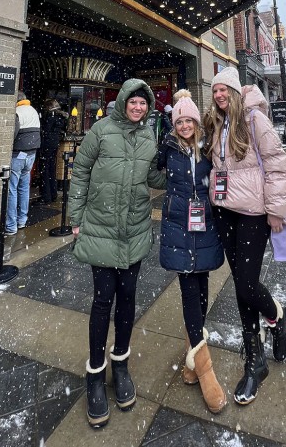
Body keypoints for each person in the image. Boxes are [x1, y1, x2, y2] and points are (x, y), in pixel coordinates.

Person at [69, 79, 166, 429]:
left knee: (128, 298)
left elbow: (153, 177)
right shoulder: (100, 131)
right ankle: (95, 373)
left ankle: (120, 365)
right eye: (134, 102)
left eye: (144, 104)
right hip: (101, 227)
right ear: (124, 101)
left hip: (135, 229)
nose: (138, 108)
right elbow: (79, 172)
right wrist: (74, 218)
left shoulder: (149, 136)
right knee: (102, 299)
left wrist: (182, 163)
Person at [203, 67, 286, 406]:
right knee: (241, 282)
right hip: (224, 210)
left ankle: (276, 317)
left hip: (254, 214)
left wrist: (276, 210)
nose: (219, 94)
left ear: (236, 92)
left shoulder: (255, 120)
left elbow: (277, 163)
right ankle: (254, 360)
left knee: (246, 285)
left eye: (225, 89)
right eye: (215, 90)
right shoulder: (217, 123)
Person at [158, 90, 226, 414]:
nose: (185, 125)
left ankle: (190, 362)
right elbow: (151, 175)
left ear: (197, 122)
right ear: (175, 125)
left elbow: (223, 176)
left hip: (206, 226)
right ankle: (206, 370)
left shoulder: (209, 149)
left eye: (189, 120)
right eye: (180, 121)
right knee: (188, 292)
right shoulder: (167, 149)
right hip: (179, 229)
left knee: (201, 292)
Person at [6, 91, 41, 235]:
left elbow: (11, 135)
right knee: (24, 187)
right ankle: (22, 220)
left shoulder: (17, 112)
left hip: (18, 154)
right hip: (31, 154)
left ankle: (10, 225)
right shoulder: (33, 111)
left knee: (11, 188)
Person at [39, 99, 68, 204]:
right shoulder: (61, 117)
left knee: (45, 170)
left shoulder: (50, 117)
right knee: (52, 169)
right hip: (54, 144)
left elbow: (45, 131)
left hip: (47, 145)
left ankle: (46, 196)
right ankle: (53, 193)